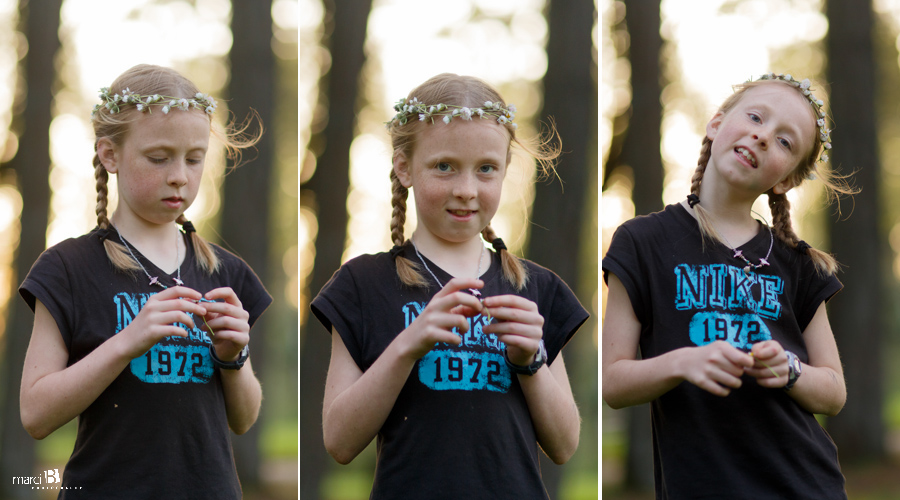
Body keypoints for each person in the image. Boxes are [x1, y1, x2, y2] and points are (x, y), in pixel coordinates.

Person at [311, 73, 589, 499]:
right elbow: (340, 442)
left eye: (486, 170)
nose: (466, 190)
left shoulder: (536, 287)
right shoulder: (361, 285)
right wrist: (408, 345)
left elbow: (565, 445)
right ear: (404, 167)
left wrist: (531, 361)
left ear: (504, 171)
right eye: (444, 167)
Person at [18, 64, 271, 499]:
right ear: (109, 155)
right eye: (159, 158)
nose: (180, 175)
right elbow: (35, 414)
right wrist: (127, 342)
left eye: (194, 159)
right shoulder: (68, 268)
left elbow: (243, 419)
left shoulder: (224, 272)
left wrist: (233, 356)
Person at [603, 73, 853, 499]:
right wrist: (682, 362)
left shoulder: (799, 263)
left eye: (784, 142)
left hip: (804, 485)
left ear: (786, 180)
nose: (762, 136)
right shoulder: (641, 242)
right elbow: (612, 382)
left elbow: (833, 393)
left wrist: (789, 370)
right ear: (717, 124)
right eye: (756, 117)